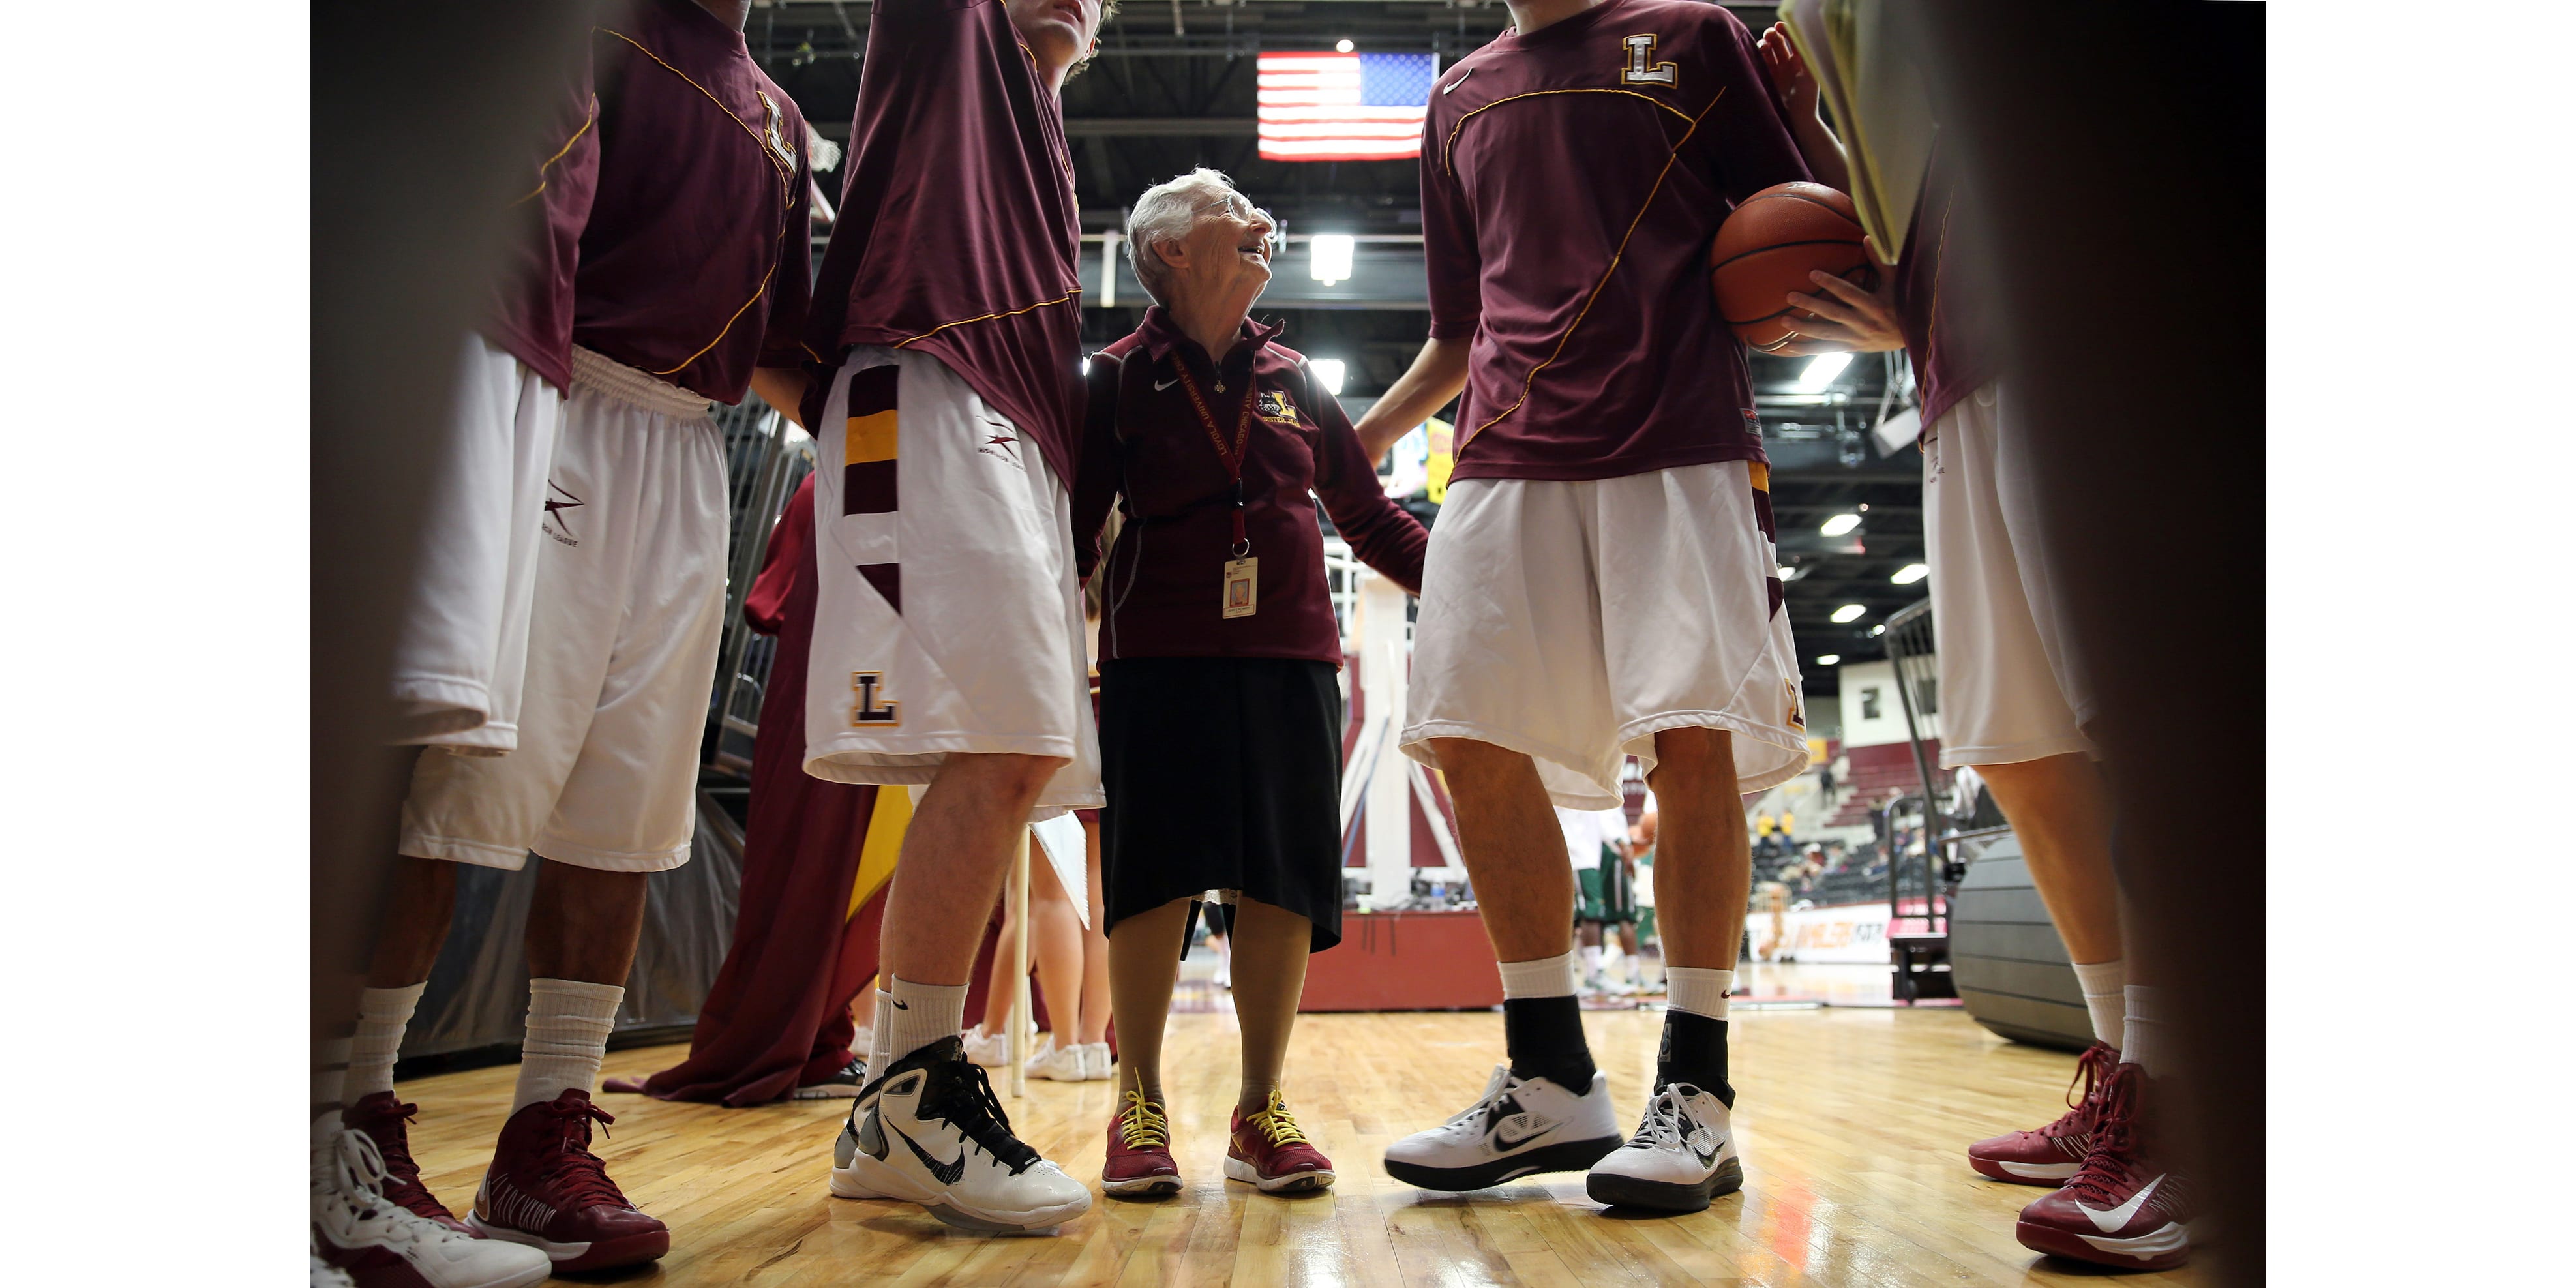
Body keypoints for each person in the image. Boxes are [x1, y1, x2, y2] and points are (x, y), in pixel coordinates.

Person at [338, 1, 813, 1275]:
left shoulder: (784, 114)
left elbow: (789, 346)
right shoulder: (594, 31)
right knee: (453, 781)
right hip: (560, 400)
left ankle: (543, 1136)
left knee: (627, 816)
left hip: (690, 456)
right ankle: (353, 1114)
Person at [1358, 0, 1819, 1216]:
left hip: (1679, 436)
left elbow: (1798, 241)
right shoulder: (1458, 94)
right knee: (1462, 732)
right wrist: (1363, 440)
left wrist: (1808, 136)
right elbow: (1458, 330)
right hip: (1505, 449)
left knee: (1690, 737)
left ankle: (1699, 1092)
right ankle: (1552, 1075)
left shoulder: (1694, 33)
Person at [1756, 22, 2188, 1270]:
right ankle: (2127, 1071)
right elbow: (1913, 168)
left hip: (2090, 335)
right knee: (2024, 747)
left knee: (2135, 727)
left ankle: (2193, 1111)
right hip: (1956, 365)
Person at [774, 0, 1114, 1236]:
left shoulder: (1042, 130)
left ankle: (893, 1100)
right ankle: (911, 1088)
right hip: (920, 388)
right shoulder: (950, 35)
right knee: (1005, 747)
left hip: (1008, 431)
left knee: (1015, 759)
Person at [1072, 168, 1430, 1199]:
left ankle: (1258, 1107)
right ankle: (1135, 1100)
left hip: (1290, 661)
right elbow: (1067, 534)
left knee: (1280, 880)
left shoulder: (1300, 378)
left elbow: (1370, 521)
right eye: (1233, 208)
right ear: (1172, 251)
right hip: (1155, 661)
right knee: (1154, 881)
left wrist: (1473, 588)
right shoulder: (1112, 380)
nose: (1260, 220)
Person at [312, 33, 597, 1288]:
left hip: (520, 348)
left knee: (417, 740)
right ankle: (323, 1155)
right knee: (368, 731)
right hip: (424, 297)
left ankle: (336, 1143)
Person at [963, 824, 1113, 1081]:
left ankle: (1063, 1046)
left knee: (1048, 895)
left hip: (1053, 785)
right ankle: (1094, 1046)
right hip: (1104, 785)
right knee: (1097, 895)